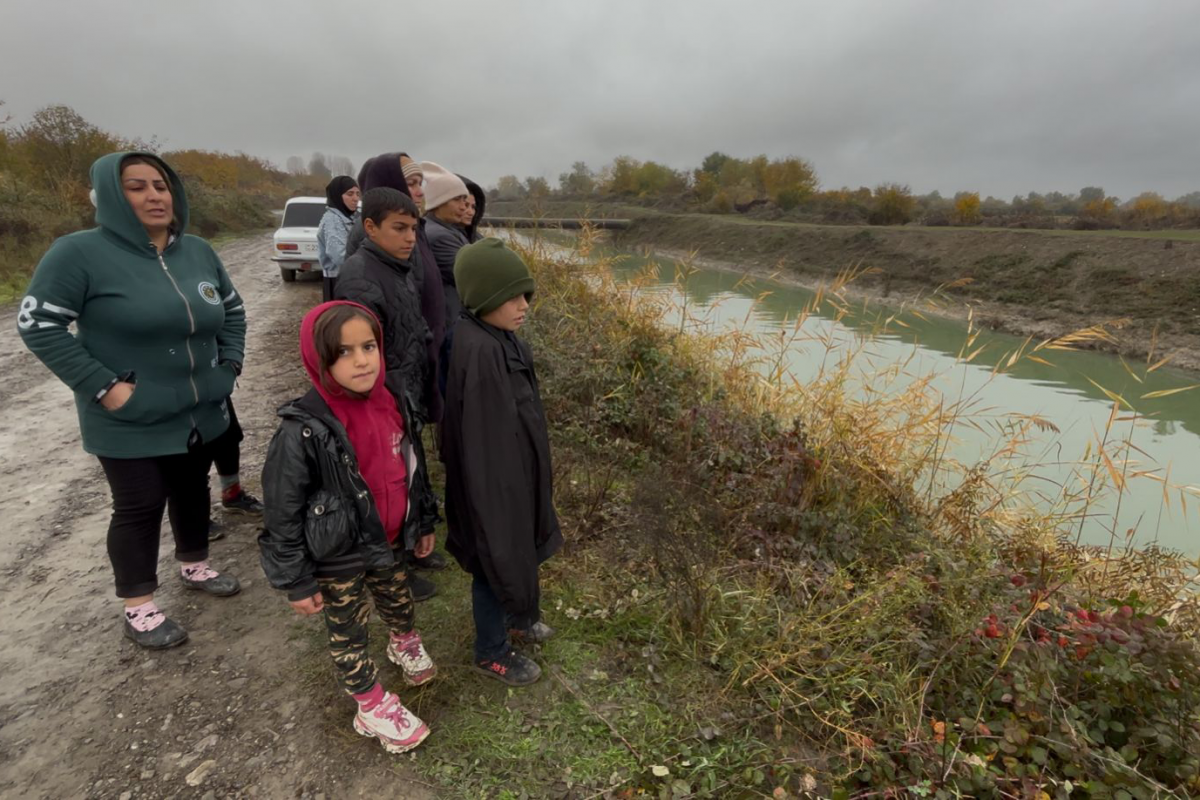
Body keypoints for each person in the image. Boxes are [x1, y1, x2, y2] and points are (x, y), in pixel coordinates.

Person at [18, 152, 245, 649]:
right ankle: (139, 606)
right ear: (110, 197)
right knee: (140, 503)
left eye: (160, 185)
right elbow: (37, 324)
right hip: (129, 417)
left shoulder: (199, 251)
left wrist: (229, 365)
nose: (154, 196)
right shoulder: (78, 253)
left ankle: (195, 566)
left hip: (200, 408)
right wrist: (106, 387)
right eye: (136, 187)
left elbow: (232, 310)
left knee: (191, 488)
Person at [259, 301, 435, 754]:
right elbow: (281, 510)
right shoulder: (303, 429)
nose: (361, 360)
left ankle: (403, 641)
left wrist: (424, 520)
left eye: (369, 346)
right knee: (348, 629)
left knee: (399, 600)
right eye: (343, 352)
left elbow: (416, 468)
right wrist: (296, 580)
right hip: (338, 554)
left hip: (390, 539)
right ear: (319, 360)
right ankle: (370, 704)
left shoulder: (395, 400)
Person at [441, 238, 563, 685]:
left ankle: (520, 618)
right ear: (482, 299)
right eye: (511, 297)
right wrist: (500, 499)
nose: (523, 305)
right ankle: (490, 650)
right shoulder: (479, 350)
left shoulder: (504, 338)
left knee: (518, 549)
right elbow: (481, 443)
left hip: (519, 475)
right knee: (495, 559)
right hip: (494, 486)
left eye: (526, 294)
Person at [335, 188, 442, 599]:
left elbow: (408, 326)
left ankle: (417, 542)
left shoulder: (398, 266)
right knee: (386, 482)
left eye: (413, 228)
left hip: (407, 388)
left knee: (413, 470)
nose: (410, 237)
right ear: (370, 227)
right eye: (399, 228)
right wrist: (380, 398)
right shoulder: (360, 276)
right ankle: (391, 567)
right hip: (382, 396)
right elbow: (357, 350)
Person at [421, 162, 472, 325]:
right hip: (449, 320)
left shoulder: (446, 229)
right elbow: (472, 277)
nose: (464, 206)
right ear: (438, 202)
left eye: (465, 199)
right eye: (457, 199)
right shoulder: (439, 236)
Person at [317, 176, 361, 302]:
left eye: (358, 194)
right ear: (337, 195)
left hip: (349, 279)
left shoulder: (350, 218)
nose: (356, 199)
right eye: (350, 194)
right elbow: (339, 256)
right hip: (338, 281)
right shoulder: (333, 220)